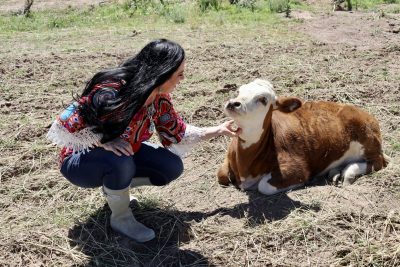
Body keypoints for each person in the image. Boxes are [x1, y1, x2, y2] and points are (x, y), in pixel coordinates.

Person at [47, 39, 238, 243]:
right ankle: (121, 218)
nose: (183, 78)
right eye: (179, 73)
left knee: (170, 166)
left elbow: (176, 132)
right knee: (119, 161)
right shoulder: (112, 89)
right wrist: (103, 141)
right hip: (80, 162)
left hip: (123, 155)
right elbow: (63, 124)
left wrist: (217, 130)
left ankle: (115, 189)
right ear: (162, 73)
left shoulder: (159, 97)